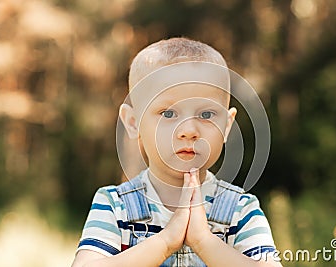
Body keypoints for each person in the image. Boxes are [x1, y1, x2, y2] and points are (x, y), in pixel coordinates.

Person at [71, 37, 283, 267]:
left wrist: (203, 241)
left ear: (227, 126)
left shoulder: (240, 210)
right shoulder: (114, 205)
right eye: (169, 114)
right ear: (133, 123)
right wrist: (165, 242)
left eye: (206, 114)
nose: (189, 130)